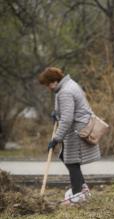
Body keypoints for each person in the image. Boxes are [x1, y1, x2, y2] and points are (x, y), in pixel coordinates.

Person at [38, 67, 101, 204]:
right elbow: (68, 110)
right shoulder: (69, 84)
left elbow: (67, 119)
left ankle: (77, 195)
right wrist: (56, 113)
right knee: (65, 157)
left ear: (54, 81)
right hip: (78, 126)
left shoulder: (65, 91)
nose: (48, 88)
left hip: (77, 130)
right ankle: (82, 189)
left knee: (72, 161)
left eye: (48, 84)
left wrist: (56, 139)